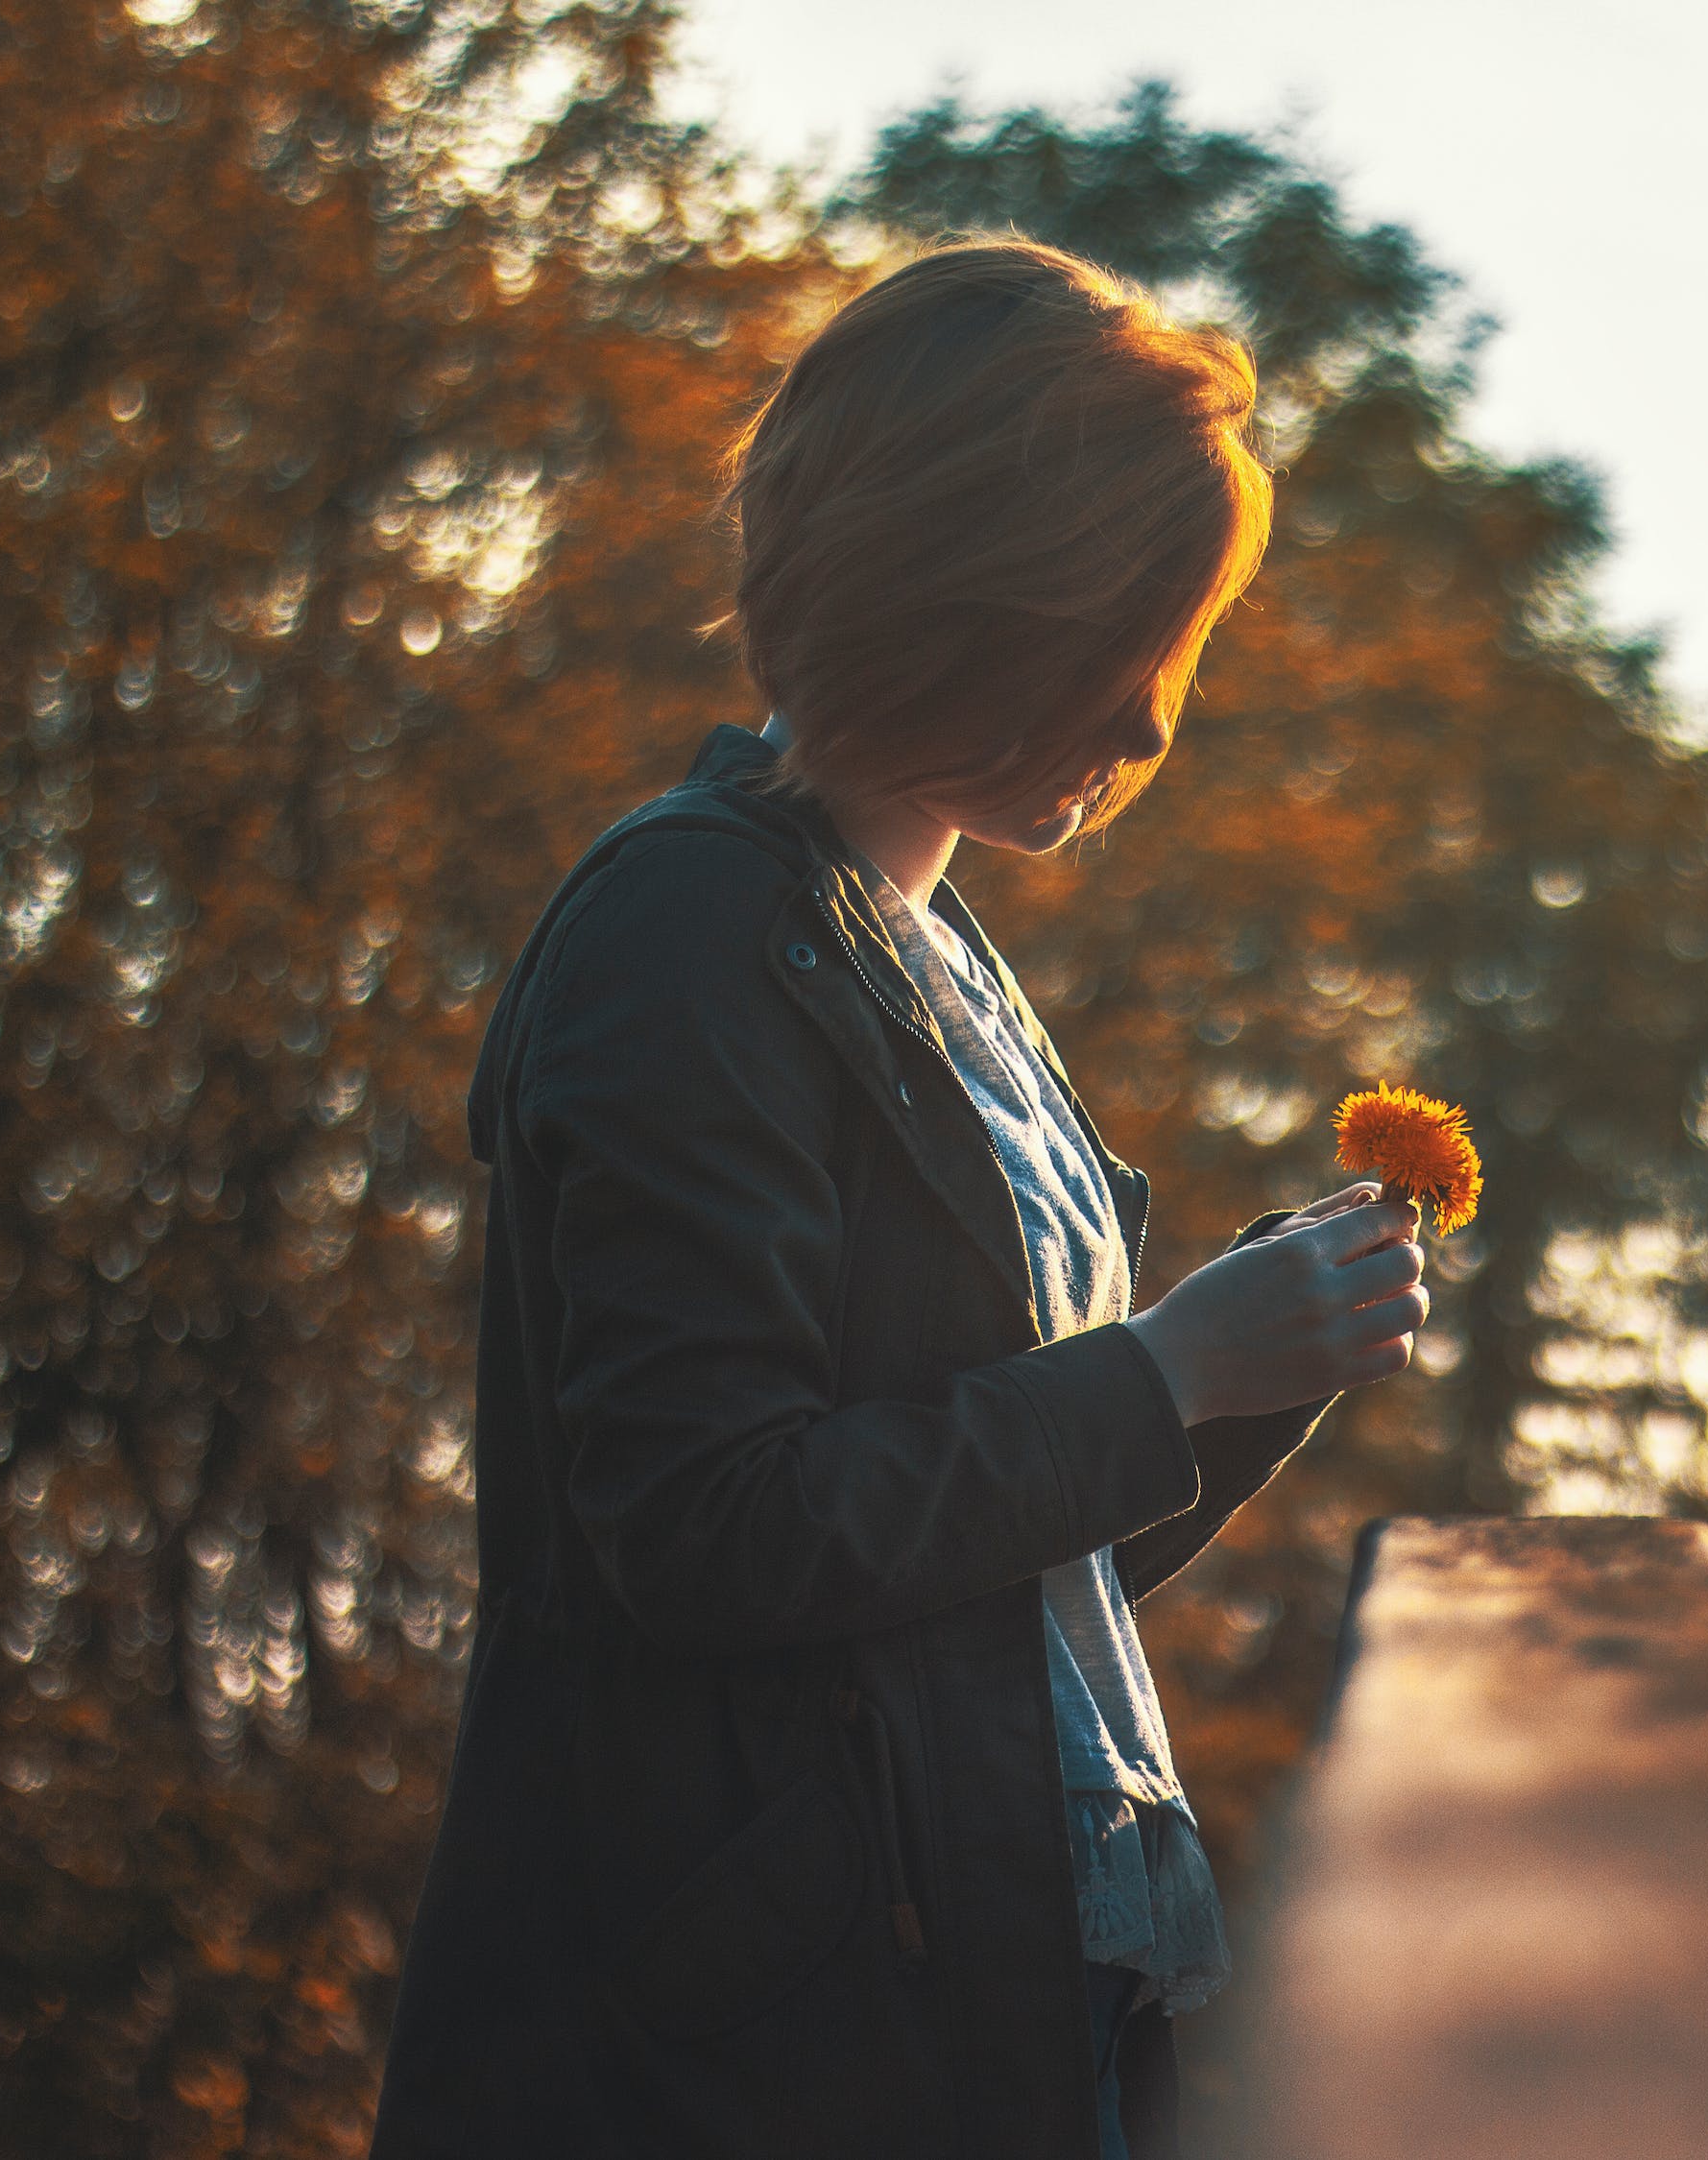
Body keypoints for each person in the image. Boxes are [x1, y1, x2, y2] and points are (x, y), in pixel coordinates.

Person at [370, 236, 1428, 2160]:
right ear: (957, 601)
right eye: (1115, 644)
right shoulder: (689, 932)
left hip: (1012, 1983)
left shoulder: (927, 958)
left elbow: (965, 1590)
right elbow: (707, 1531)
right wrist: (1161, 1377)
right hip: (770, 2067)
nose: (1148, 725)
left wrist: (1249, 1367)